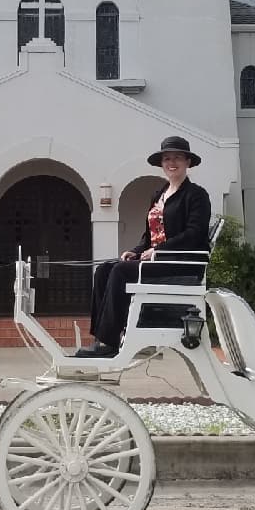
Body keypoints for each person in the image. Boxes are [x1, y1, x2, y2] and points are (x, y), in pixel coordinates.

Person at [75, 136, 212, 358]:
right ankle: (102, 338)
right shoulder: (158, 195)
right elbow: (149, 236)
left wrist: (160, 251)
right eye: (167, 158)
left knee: (120, 272)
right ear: (162, 164)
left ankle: (110, 344)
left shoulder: (196, 195)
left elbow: (194, 234)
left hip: (180, 264)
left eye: (177, 157)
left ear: (188, 161)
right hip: (156, 260)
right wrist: (136, 251)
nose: (172, 162)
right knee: (104, 270)